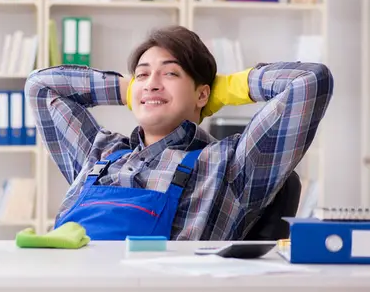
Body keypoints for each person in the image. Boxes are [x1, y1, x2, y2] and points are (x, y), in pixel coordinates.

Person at [24, 25, 334, 241]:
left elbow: (308, 82)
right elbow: (40, 86)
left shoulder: (230, 166)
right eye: (142, 74)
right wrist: (132, 89)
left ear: (203, 95)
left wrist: (227, 89)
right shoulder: (99, 153)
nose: (152, 82)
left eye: (170, 73)